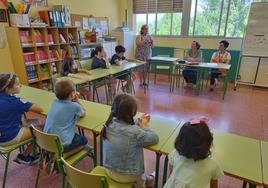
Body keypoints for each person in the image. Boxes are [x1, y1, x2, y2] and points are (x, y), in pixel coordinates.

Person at [102, 94, 159, 188]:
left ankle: (147, 179)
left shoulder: (109, 124)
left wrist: (138, 121)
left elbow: (124, 125)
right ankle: (147, 181)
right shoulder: (135, 133)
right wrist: (144, 126)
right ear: (132, 112)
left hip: (109, 170)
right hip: (129, 175)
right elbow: (154, 138)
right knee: (141, 179)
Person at [164, 118, 223, 188]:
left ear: (180, 141)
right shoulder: (213, 165)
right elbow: (214, 186)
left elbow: (171, 176)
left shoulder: (175, 154)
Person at [0, 73, 43, 165]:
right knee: (41, 129)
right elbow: (40, 109)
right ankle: (24, 156)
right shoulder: (15, 102)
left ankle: (32, 151)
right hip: (7, 137)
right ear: (8, 89)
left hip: (2, 134)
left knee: (33, 122)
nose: (20, 85)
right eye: (17, 84)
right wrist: (23, 101)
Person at [43, 79, 88, 153]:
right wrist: (77, 100)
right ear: (72, 94)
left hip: (48, 141)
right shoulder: (74, 106)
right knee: (84, 140)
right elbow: (84, 112)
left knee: (71, 134)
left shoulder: (54, 102)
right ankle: (63, 156)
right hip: (61, 144)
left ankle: (55, 154)